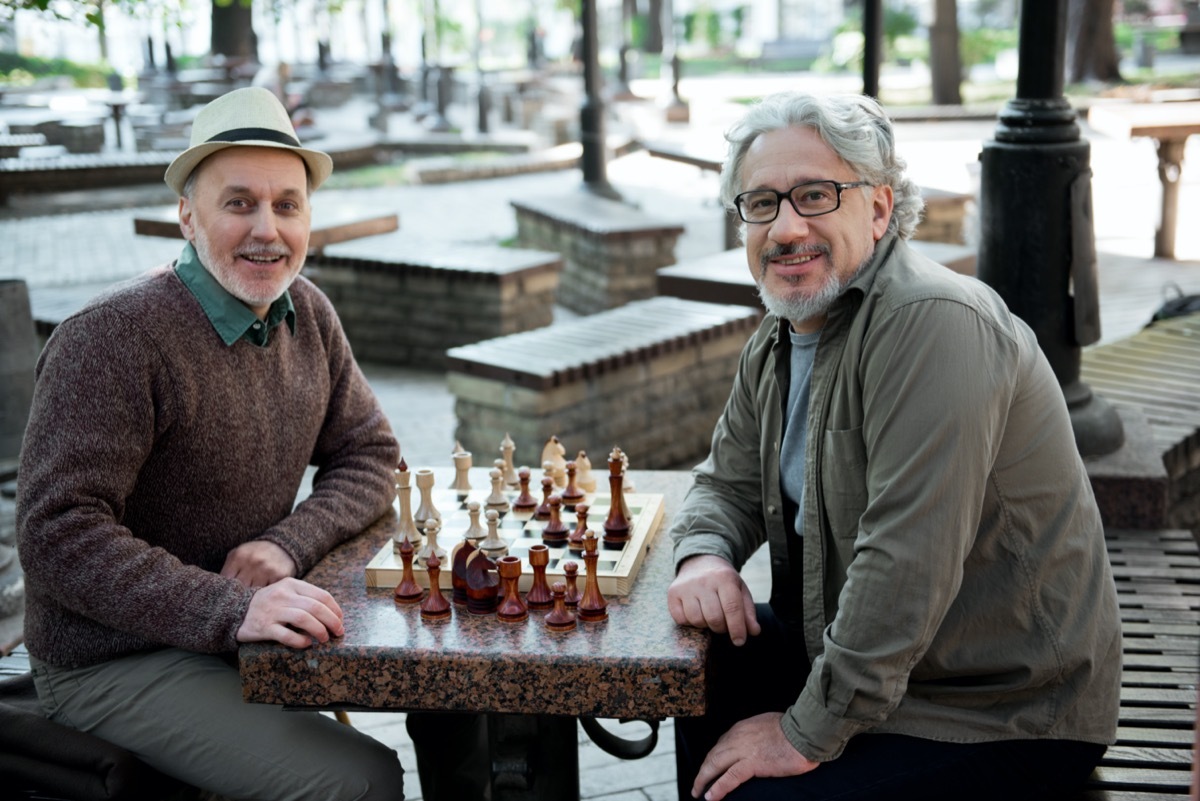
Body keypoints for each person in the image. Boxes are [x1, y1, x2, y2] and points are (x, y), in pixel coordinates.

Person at [666, 91, 1122, 801]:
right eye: (761, 203)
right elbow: (724, 484)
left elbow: (906, 560)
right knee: (701, 661)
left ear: (878, 209)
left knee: (751, 793)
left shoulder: (934, 324)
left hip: (997, 710)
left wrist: (800, 735)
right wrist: (704, 555)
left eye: (814, 195)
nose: (785, 228)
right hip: (864, 661)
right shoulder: (782, 335)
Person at [16, 86, 406, 800]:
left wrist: (288, 543)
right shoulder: (111, 337)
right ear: (187, 216)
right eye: (239, 203)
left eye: (287, 205)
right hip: (112, 658)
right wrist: (228, 608)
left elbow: (373, 453)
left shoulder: (307, 311)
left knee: (455, 715)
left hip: (229, 634)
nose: (267, 230)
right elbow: (56, 533)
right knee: (361, 779)